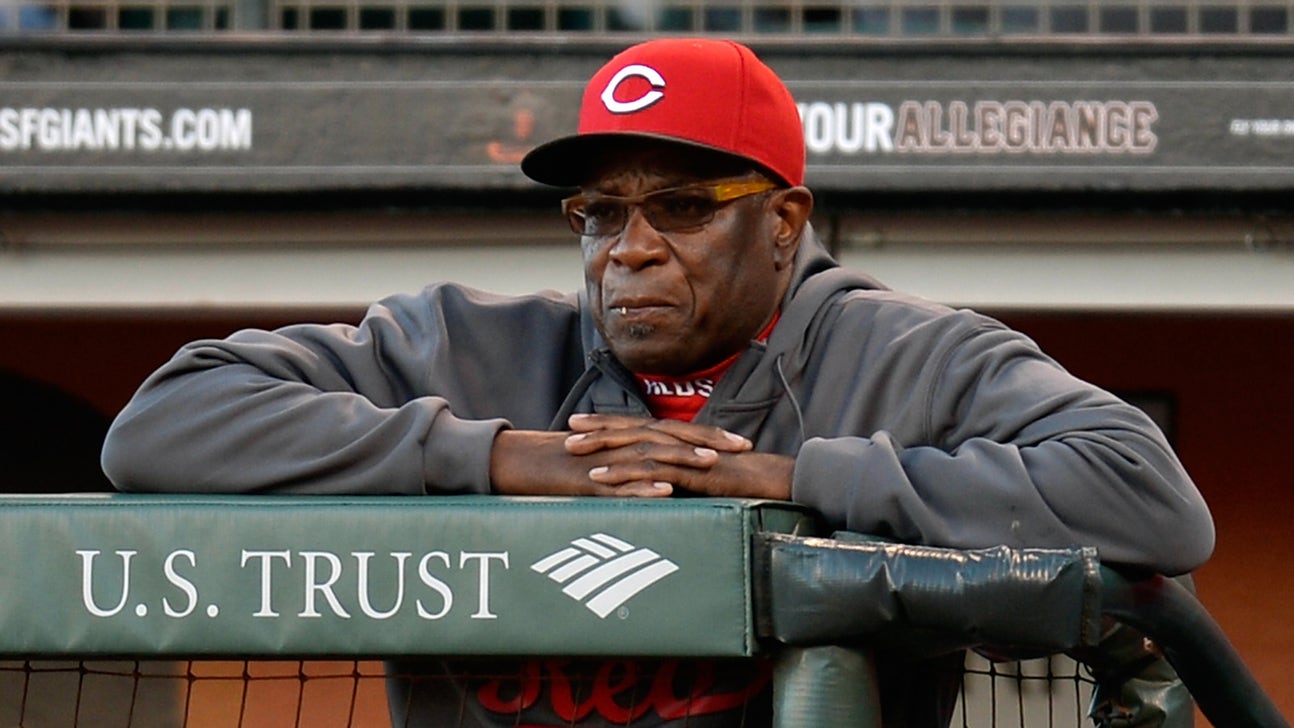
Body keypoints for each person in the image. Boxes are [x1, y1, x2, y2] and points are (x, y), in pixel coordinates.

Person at [101, 38, 1215, 727]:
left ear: (783, 222)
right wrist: (498, 457)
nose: (626, 250)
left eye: (681, 208)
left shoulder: (906, 356)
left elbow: (1146, 493)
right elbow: (163, 421)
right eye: (600, 213)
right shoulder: (464, 348)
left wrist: (795, 478)